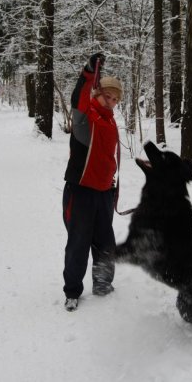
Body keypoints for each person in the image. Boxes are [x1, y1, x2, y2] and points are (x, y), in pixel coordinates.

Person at [62, 53, 123, 312]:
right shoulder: (85, 119)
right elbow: (79, 97)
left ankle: (102, 283)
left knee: (105, 242)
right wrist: (88, 73)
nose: (111, 102)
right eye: (107, 96)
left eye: (116, 99)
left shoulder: (109, 121)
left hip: (104, 192)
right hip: (81, 191)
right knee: (79, 242)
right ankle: (73, 291)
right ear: (97, 93)